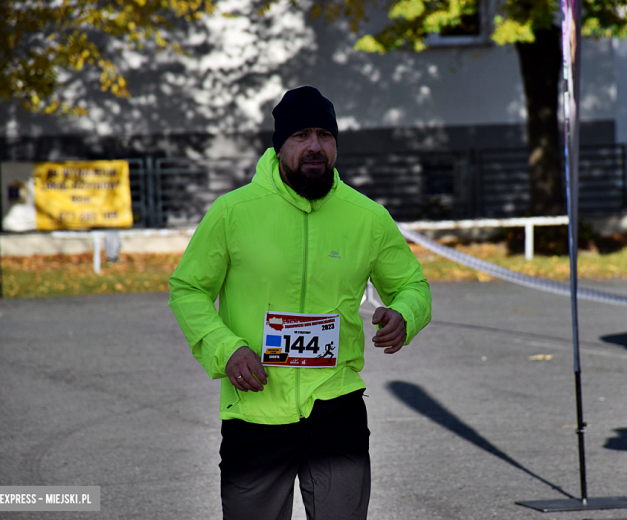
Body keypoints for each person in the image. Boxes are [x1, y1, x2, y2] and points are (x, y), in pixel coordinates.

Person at [168, 85, 432, 519]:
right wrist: (225, 347)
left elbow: (412, 285)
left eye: (325, 136)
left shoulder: (367, 217)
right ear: (279, 145)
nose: (315, 146)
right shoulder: (233, 212)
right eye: (301, 135)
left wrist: (405, 313)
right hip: (255, 409)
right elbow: (189, 288)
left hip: (336, 407)